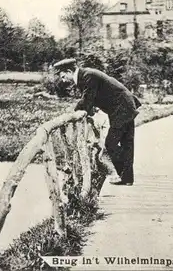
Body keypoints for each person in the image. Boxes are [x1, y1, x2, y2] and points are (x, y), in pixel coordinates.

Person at [53, 58, 141, 186]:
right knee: (126, 143)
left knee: (111, 144)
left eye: (63, 76)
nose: (63, 79)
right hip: (124, 105)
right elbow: (92, 99)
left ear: (69, 71)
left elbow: (87, 99)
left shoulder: (88, 76)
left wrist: (73, 113)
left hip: (121, 107)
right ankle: (127, 178)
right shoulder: (86, 75)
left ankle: (123, 174)